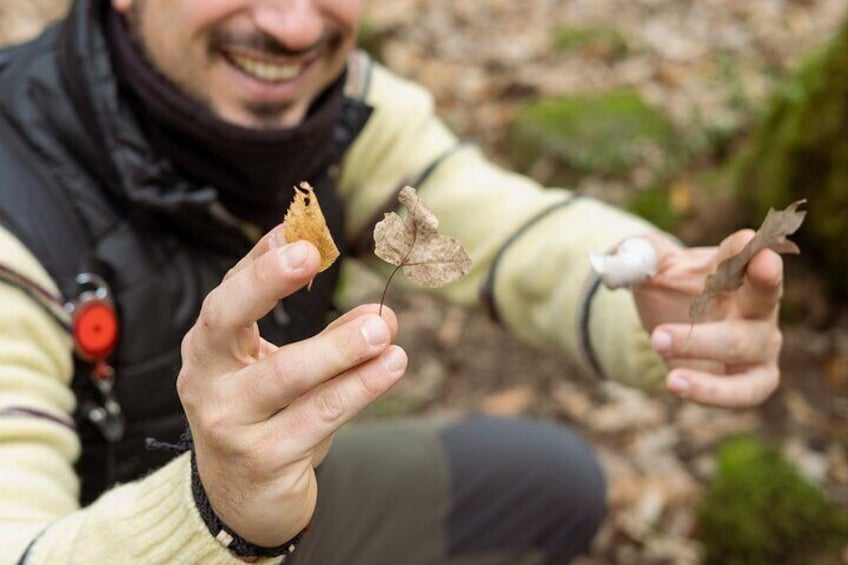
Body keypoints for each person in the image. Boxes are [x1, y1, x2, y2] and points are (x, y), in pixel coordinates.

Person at [0, 1, 784, 563]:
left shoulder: (340, 110)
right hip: (123, 537)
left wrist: (651, 284)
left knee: (556, 482)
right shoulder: (17, 207)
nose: (294, 25)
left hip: (276, 504)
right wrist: (215, 507)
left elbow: (506, 226)